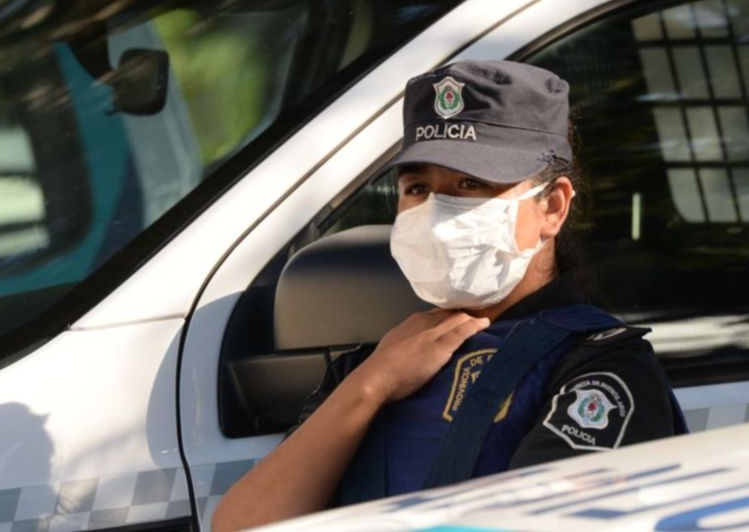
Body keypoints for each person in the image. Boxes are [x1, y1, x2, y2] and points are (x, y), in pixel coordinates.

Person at [212, 60, 686, 531]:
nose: (436, 212)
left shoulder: (601, 368)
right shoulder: (373, 365)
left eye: (471, 184)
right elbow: (241, 526)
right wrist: (372, 385)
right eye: (417, 188)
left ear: (552, 207)